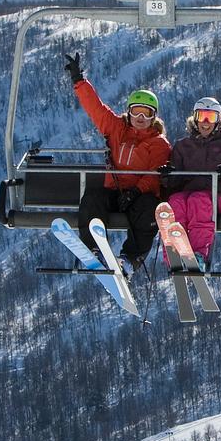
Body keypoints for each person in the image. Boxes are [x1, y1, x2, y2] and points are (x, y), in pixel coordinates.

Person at [64, 52, 169, 274]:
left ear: (153, 118)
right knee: (93, 198)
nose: (140, 118)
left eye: (146, 114)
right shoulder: (116, 129)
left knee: (149, 208)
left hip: (139, 197)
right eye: (136, 112)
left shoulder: (158, 143)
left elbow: (155, 174)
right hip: (115, 192)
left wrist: (136, 192)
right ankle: (93, 248)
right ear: (128, 113)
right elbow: (96, 109)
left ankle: (130, 258)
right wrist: (79, 81)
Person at [157, 97, 221, 269]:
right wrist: (167, 175)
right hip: (188, 196)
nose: (205, 123)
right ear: (195, 118)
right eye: (201, 116)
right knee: (175, 202)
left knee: (198, 200)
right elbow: (175, 182)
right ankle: (174, 254)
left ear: (218, 120)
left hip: (220, 199)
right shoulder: (183, 146)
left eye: (211, 118)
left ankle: (198, 254)